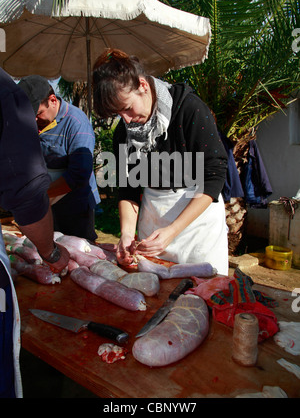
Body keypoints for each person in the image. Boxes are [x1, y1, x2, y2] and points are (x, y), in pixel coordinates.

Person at [92, 48, 229, 275]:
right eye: (118, 114)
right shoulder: (124, 133)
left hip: (197, 226)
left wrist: (173, 230)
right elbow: (128, 187)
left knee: (203, 293)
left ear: (143, 86)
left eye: (127, 108)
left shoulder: (189, 109)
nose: (125, 120)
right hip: (153, 219)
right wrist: (127, 233)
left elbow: (214, 175)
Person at [0, 67, 69, 397]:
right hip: (42, 212)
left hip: (69, 206)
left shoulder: (77, 125)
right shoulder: (6, 95)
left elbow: (80, 174)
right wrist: (51, 252)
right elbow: (26, 190)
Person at [18, 75, 100, 242]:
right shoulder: (33, 122)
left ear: (53, 100)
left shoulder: (77, 123)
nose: (33, 119)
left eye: (38, 113)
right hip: (45, 203)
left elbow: (79, 175)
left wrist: (41, 196)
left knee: (80, 253)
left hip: (76, 207)